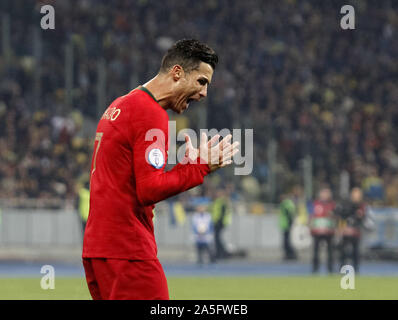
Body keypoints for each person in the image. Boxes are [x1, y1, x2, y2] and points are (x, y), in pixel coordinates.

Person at [82, 39, 239, 300]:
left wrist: (186, 166)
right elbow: (149, 189)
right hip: (128, 252)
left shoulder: (121, 104)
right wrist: (200, 166)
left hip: (99, 251)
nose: (204, 94)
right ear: (177, 73)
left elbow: (128, 181)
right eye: (201, 82)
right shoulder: (150, 112)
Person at [335, 187, 367, 273]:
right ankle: (342, 268)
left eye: (358, 195)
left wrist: (360, 217)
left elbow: (363, 218)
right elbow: (341, 216)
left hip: (356, 231)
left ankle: (356, 269)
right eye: (355, 194)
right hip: (345, 231)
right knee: (343, 250)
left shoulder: (361, 205)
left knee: (355, 251)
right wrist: (340, 229)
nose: (357, 196)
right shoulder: (346, 204)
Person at [309, 186, 336, 274]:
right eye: (323, 193)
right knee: (316, 251)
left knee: (330, 251)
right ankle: (315, 268)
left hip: (329, 231)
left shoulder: (332, 205)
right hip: (317, 232)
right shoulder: (315, 204)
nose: (325, 195)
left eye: (327, 193)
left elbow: (336, 218)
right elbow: (311, 217)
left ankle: (330, 268)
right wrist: (310, 226)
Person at [211, 188, 232, 260]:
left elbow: (221, 213)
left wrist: (219, 222)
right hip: (217, 222)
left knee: (217, 239)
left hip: (219, 223)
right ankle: (221, 253)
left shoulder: (221, 202)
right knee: (217, 238)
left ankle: (221, 253)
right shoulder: (218, 201)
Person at [278, 187, 299, 261]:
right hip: (285, 224)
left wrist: (290, 222)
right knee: (286, 240)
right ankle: (289, 254)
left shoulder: (287, 203)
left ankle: (291, 254)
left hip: (286, 224)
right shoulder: (286, 203)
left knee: (286, 241)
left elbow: (290, 214)